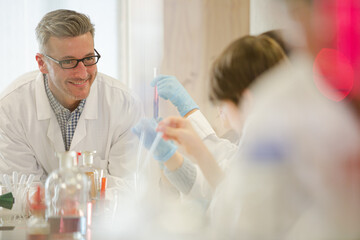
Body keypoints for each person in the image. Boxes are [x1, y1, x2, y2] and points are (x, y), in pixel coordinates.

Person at [159, 0, 360, 238]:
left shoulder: (278, 110)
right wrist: (194, 151)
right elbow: (237, 190)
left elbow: (238, 213)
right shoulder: (282, 105)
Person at [132, 35, 287, 201]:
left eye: (223, 101)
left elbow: (223, 198)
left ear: (247, 100)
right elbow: (225, 176)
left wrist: (171, 155)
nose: (219, 109)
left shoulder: (271, 149)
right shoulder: (267, 137)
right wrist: (190, 147)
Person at [0, 9, 143, 183]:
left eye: (89, 58)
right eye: (68, 62)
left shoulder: (124, 105)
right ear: (42, 63)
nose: (82, 73)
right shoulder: (11, 108)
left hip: (108, 211)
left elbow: (130, 187)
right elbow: (20, 191)